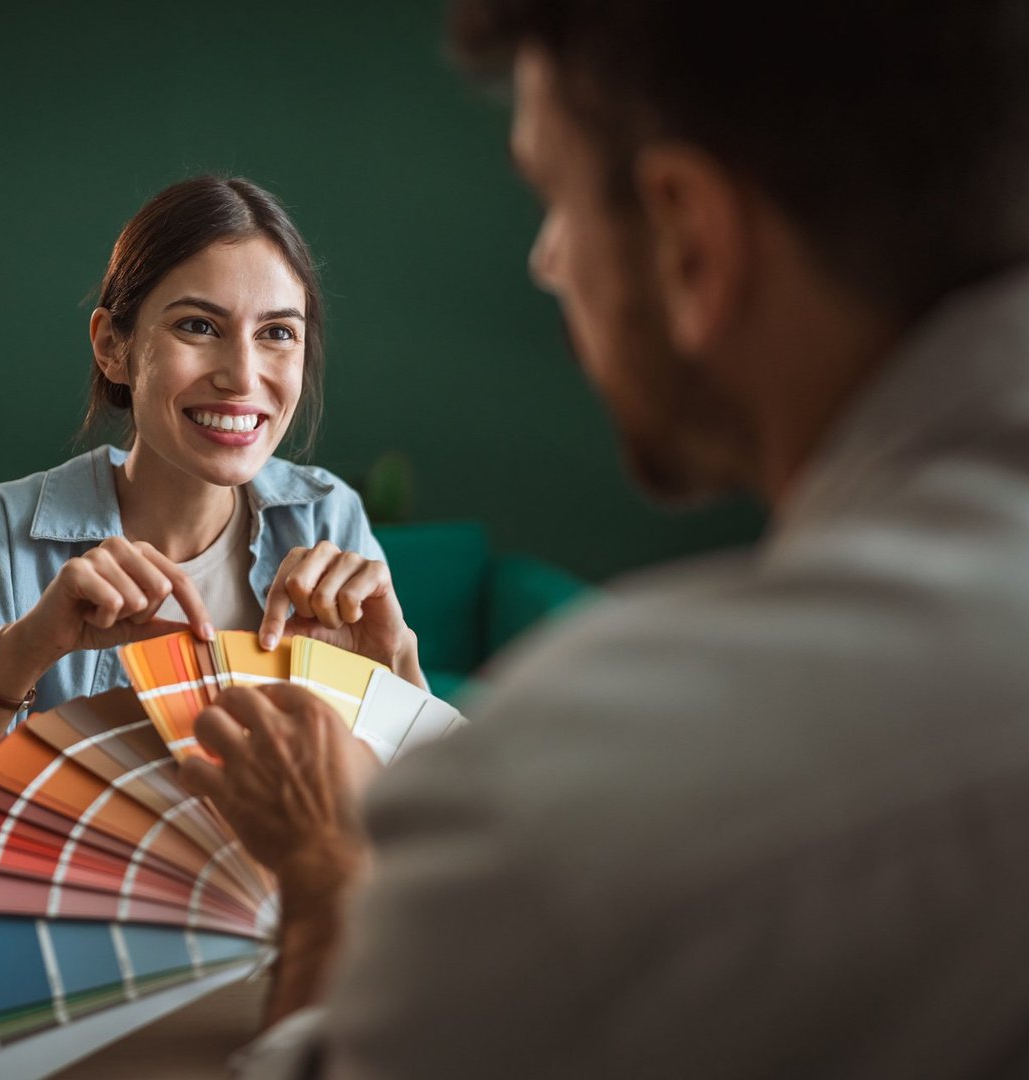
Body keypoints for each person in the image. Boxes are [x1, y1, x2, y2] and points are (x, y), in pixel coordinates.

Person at [180, 2, 1029, 1075]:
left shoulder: (561, 813)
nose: (545, 262)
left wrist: (324, 885)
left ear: (687, 238)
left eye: (553, 198)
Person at [0, 176, 426, 913]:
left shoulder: (327, 518)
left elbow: (430, 850)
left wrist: (394, 671)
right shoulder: (9, 536)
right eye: (198, 326)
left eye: (277, 333)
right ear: (113, 347)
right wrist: (22, 658)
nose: (242, 375)